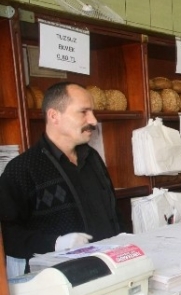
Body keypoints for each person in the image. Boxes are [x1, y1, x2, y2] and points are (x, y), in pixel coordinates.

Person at [0, 82, 122, 275]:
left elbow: (111, 211)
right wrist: (55, 243)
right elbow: (7, 234)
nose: (93, 120)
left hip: (110, 270)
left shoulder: (92, 158)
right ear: (54, 116)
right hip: (61, 282)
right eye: (84, 112)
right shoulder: (23, 169)